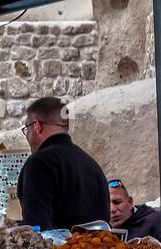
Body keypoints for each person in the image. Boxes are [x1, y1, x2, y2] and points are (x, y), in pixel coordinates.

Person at [15, 96, 109, 231]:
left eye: (26, 129)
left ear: (36, 126)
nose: (27, 135)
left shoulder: (39, 163)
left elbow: (36, 229)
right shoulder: (90, 163)